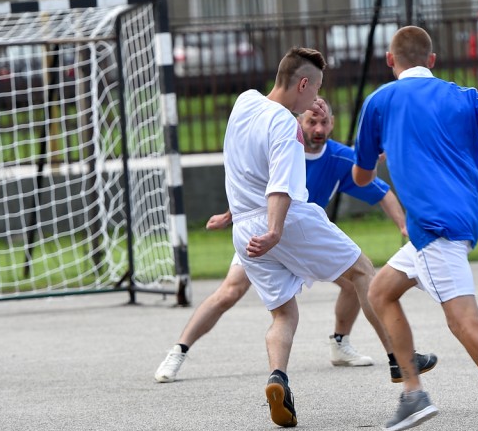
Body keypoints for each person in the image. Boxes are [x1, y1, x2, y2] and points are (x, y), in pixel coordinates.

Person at [352, 26, 478, 431]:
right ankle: (412, 392)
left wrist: (379, 155)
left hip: (434, 226)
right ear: (432, 61)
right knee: (381, 291)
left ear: (390, 60)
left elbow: (361, 177)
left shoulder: (380, 101)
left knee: (462, 321)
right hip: (459, 220)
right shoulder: (464, 96)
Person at [220, 46, 433, 428]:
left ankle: (278, 378)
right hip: (283, 222)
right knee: (362, 271)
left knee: (283, 313)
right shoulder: (286, 127)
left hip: (244, 228)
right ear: (303, 84)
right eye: (315, 89)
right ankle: (398, 360)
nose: (316, 100)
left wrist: (237, 213)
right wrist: (275, 231)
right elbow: (281, 186)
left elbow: (242, 164)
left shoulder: (245, 102)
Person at [154, 98, 426, 383]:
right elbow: (259, 188)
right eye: (312, 121)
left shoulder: (340, 158)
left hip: (301, 236)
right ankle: (179, 351)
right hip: (268, 231)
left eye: (324, 122)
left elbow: (381, 191)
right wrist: (230, 214)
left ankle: (340, 343)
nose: (318, 128)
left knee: (353, 282)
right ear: (299, 122)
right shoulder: (282, 144)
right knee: (230, 291)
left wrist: (403, 225)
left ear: (332, 124)